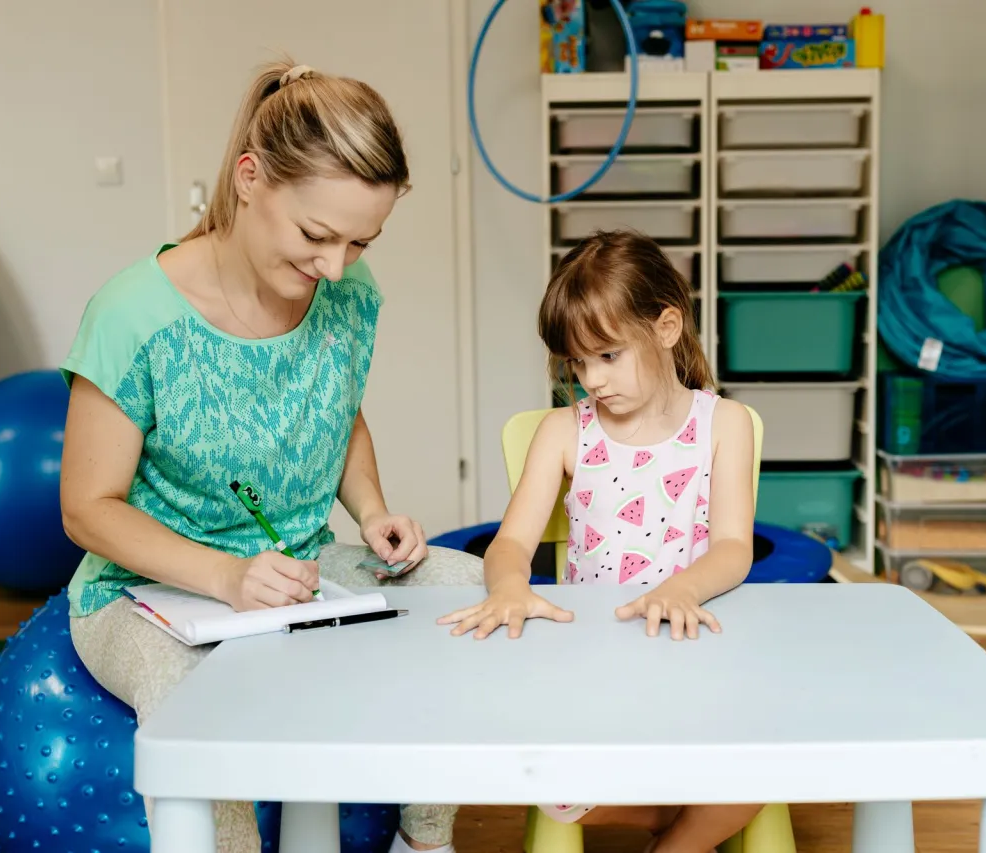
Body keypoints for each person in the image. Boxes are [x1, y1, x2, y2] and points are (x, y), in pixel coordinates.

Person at [58, 59, 480, 853]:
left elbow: (341, 414)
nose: (335, 267)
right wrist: (222, 576)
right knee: (202, 702)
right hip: (143, 591)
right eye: (317, 235)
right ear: (249, 179)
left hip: (295, 573)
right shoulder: (133, 316)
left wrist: (375, 510)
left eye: (362, 241)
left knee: (471, 593)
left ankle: (423, 838)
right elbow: (86, 508)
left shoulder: (350, 293)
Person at [437, 229, 763, 852]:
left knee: (766, 766)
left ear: (666, 327)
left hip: (690, 649)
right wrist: (507, 588)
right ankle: (672, 822)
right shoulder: (564, 431)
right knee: (555, 789)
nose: (591, 379)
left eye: (607, 356)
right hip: (591, 658)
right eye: (577, 363)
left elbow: (732, 548)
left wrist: (680, 590)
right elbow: (510, 543)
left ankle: (677, 841)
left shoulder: (725, 423)